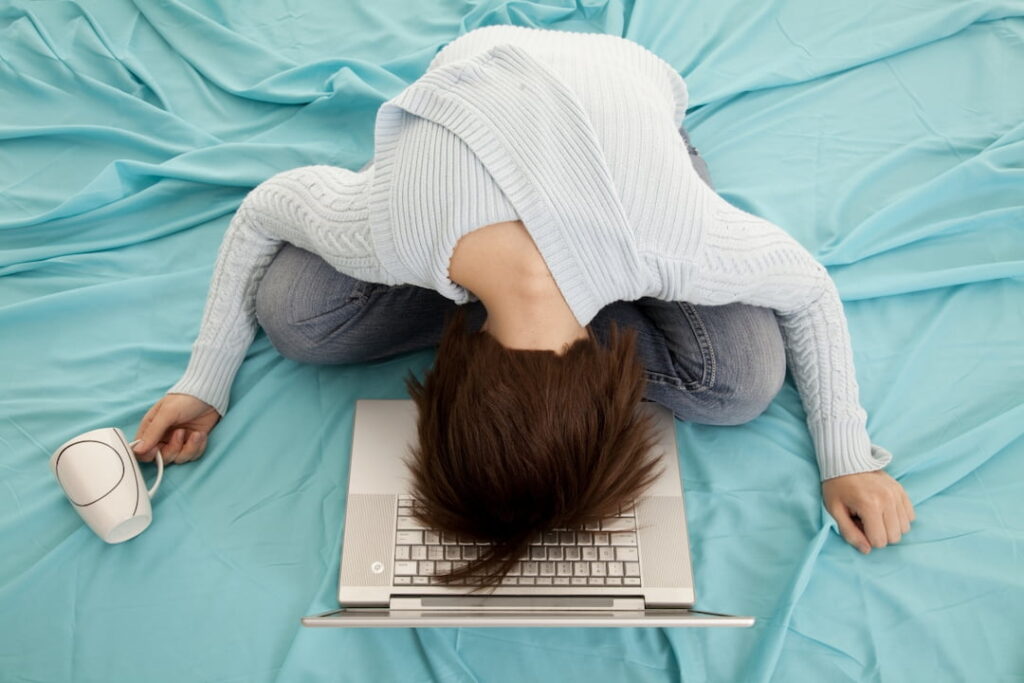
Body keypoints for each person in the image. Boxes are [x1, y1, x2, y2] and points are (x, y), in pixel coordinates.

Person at [132, 25, 914, 586]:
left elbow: (810, 286)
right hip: (470, 91)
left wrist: (847, 453)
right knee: (294, 314)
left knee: (743, 380)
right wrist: (204, 378)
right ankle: (502, 274)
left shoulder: (675, 237)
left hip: (620, 96)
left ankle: (508, 277)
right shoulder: (387, 228)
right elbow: (268, 206)